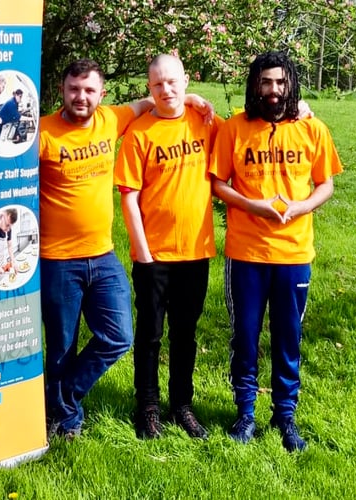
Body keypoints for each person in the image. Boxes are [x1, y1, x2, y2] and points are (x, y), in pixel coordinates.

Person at [38, 58, 214, 440]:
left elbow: (156, 101)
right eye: (73, 89)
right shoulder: (43, 133)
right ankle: (67, 421)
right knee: (61, 348)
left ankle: (58, 400)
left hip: (102, 255)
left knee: (119, 336)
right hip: (56, 259)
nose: (81, 97)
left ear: (102, 94)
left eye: (89, 90)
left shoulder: (112, 119)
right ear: (61, 92)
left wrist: (193, 97)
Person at [209, 51, 343, 452]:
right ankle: (245, 414)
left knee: (288, 338)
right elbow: (218, 183)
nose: (273, 90)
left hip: (294, 253)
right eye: (266, 82)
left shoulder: (312, 128)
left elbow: (326, 184)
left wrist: (300, 208)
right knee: (245, 338)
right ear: (255, 85)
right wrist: (254, 206)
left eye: (280, 82)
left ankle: (286, 417)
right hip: (246, 253)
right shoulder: (235, 128)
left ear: (291, 85)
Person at [115, 54, 223, 440]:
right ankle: (146, 407)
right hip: (154, 254)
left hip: (195, 251)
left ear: (186, 80)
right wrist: (142, 253)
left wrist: (304, 112)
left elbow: (248, 135)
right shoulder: (140, 133)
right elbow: (129, 197)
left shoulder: (205, 122)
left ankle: (182, 405)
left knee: (185, 334)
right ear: (149, 88)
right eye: (158, 84)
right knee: (150, 335)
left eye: (173, 82)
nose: (167, 90)